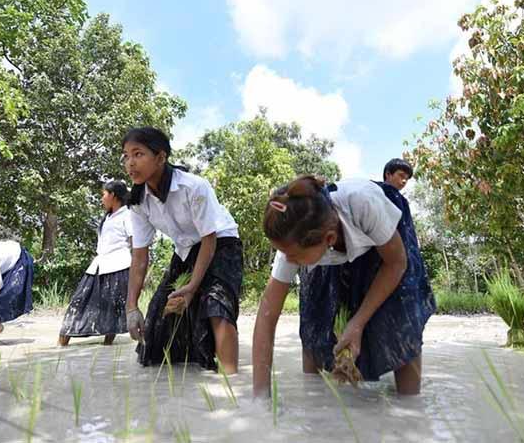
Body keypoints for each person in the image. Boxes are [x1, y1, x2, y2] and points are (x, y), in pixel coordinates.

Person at [252, 175, 435, 397]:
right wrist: (260, 399)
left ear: (329, 240)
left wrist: (357, 324)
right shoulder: (295, 238)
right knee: (314, 317)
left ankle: (410, 402)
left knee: (400, 314)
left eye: (294, 257)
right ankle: (316, 398)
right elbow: (267, 314)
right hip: (324, 241)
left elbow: (397, 264)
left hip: (388, 242)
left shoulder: (364, 204)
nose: (288, 261)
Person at [122, 127, 243, 373]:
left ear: (161, 157)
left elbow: (209, 241)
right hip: (186, 250)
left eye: (138, 154)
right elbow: (140, 256)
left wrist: (192, 287)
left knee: (216, 306)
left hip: (221, 244)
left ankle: (231, 379)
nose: (130, 163)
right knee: (158, 321)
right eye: (126, 156)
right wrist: (131, 306)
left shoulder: (193, 187)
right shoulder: (138, 201)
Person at [58, 180, 133, 346]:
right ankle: (61, 343)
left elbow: (135, 244)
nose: (102, 198)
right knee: (78, 301)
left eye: (104, 194)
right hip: (99, 265)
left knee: (113, 307)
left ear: (113, 195)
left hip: (119, 266)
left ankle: (108, 345)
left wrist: (138, 274)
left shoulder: (128, 215)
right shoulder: (108, 217)